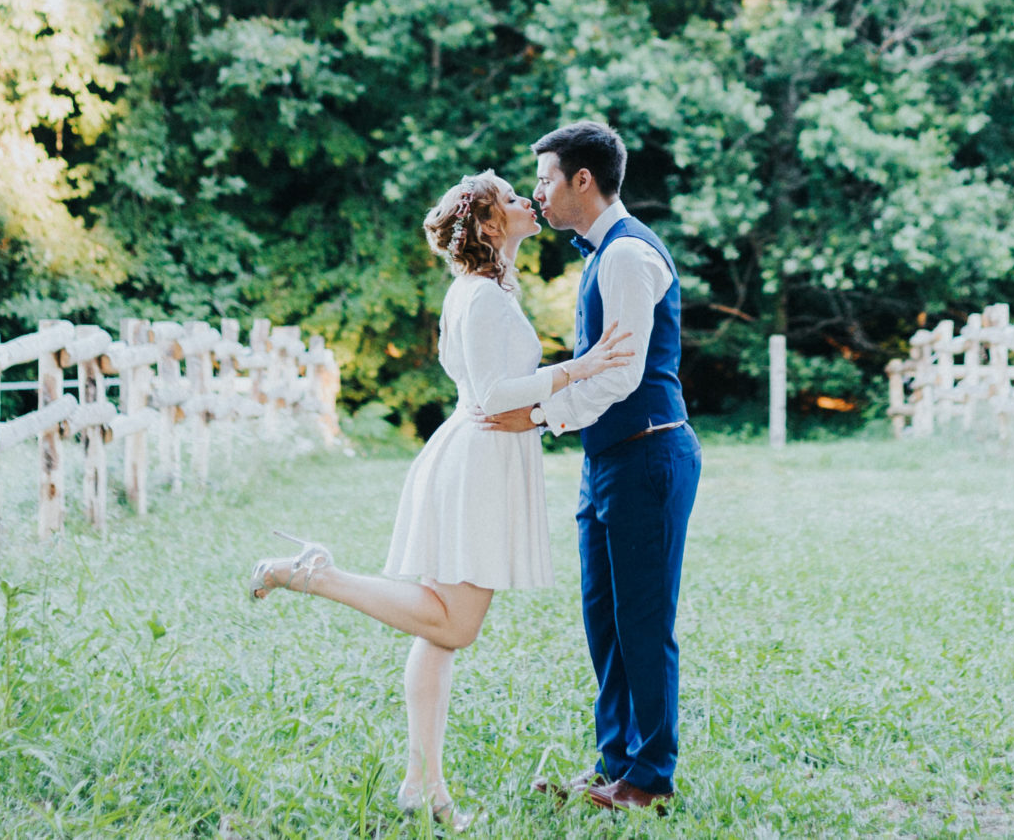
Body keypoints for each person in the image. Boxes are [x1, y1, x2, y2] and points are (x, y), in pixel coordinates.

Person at [250, 170, 634, 830]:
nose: (527, 202)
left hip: (477, 458)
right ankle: (318, 574)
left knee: (439, 635)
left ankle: (421, 783)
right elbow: (492, 392)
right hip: (478, 464)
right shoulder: (481, 296)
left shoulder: (484, 290)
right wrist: (584, 365)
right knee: (454, 624)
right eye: (513, 197)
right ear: (488, 223)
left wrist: (565, 377)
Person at [481, 120, 699, 814]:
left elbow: (626, 373)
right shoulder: (601, 253)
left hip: (649, 452)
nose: (538, 192)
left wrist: (541, 414)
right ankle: (615, 761)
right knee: (602, 618)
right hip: (607, 458)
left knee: (642, 618)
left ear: (583, 179)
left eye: (544, 178)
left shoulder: (629, 255)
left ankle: (650, 775)